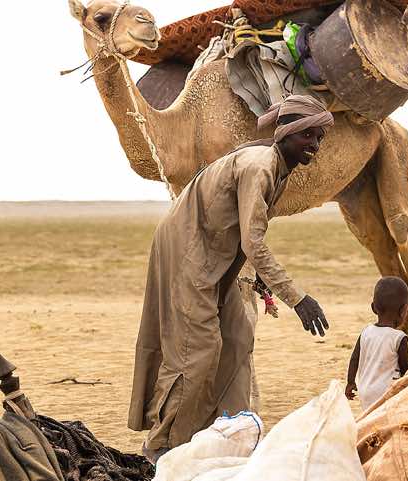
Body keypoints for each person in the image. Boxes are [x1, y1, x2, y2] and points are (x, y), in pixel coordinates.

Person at [128, 95, 335, 462]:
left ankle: (229, 437)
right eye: (309, 137)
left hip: (219, 260)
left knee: (238, 336)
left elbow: (242, 234)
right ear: (286, 133)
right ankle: (162, 449)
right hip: (190, 253)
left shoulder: (277, 166)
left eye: (319, 138)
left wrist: (257, 279)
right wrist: (298, 299)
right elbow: (253, 240)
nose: (315, 147)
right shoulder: (260, 165)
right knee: (197, 353)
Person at [345, 276, 408, 411]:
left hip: (365, 391)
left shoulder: (366, 332)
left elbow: (354, 359)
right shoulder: (399, 338)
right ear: (403, 311)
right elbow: (406, 368)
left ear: (373, 308)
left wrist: (350, 382)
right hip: (386, 394)